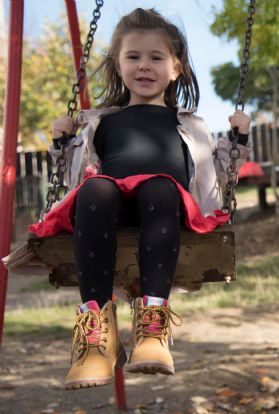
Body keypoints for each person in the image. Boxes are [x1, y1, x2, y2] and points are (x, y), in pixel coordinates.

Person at [30, 8, 251, 389]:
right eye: (133, 57)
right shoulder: (100, 121)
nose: (144, 66)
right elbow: (71, 176)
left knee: (159, 186)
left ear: (176, 68)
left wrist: (238, 140)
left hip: (165, 208)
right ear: (118, 65)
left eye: (156, 57)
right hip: (109, 207)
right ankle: (96, 337)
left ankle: (152, 329)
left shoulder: (190, 124)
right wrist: (61, 142)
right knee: (95, 188)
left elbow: (215, 172)